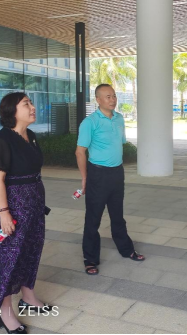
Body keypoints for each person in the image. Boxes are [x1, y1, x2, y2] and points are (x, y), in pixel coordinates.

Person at [0, 93, 53, 335]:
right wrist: (4, 213)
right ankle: (4, 313)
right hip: (13, 206)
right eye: (26, 104)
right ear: (11, 110)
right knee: (8, 259)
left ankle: (28, 297)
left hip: (34, 204)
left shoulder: (30, 136)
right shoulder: (2, 140)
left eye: (31, 103)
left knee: (31, 250)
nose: (32, 107)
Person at [75, 84, 145, 276]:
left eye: (114, 96)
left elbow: (119, 143)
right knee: (93, 218)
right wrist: (85, 178)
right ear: (98, 100)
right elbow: (80, 152)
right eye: (108, 96)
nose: (113, 99)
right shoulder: (89, 122)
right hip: (97, 175)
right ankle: (90, 259)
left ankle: (127, 249)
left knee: (117, 216)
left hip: (117, 173)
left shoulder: (119, 118)